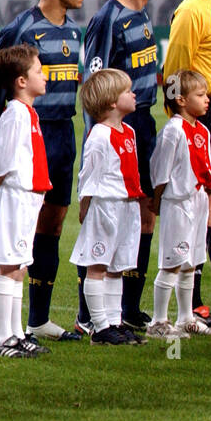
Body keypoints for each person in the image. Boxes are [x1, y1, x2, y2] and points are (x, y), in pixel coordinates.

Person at [0, 0, 86, 342]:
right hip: (31, 134)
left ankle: (38, 319)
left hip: (62, 134)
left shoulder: (75, 30)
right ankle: (6, 327)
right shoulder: (21, 28)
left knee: (53, 226)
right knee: (18, 229)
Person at [78, 0, 166, 334]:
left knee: (142, 215)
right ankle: (89, 316)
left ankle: (127, 309)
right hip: (114, 131)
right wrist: (100, 133)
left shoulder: (143, 14)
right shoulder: (108, 19)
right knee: (107, 219)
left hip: (141, 123)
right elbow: (96, 80)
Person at [161, 0, 211, 324]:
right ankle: (194, 304)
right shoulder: (191, 10)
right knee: (207, 207)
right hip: (209, 113)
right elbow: (175, 73)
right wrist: (180, 123)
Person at [0, 45, 51, 358]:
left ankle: (16, 333)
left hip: (29, 195)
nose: (44, 75)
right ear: (21, 81)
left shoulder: (28, 112)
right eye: (38, 71)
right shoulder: (13, 114)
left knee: (19, 267)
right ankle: (3, 338)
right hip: (16, 195)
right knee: (9, 265)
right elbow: (4, 160)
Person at [72, 68, 145, 345]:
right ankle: (100, 326)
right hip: (106, 207)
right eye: (127, 91)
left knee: (117, 266)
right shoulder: (100, 135)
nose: (133, 94)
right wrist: (85, 206)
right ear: (113, 102)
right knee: (98, 265)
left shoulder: (129, 131)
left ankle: (115, 322)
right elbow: (89, 175)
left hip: (127, 206)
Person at [149, 70, 211, 338]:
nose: (207, 100)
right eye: (200, 95)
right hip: (177, 203)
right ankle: (158, 321)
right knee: (172, 261)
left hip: (197, 200)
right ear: (180, 99)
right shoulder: (173, 131)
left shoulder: (202, 129)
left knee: (190, 262)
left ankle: (185, 317)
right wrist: (157, 202)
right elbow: (160, 170)